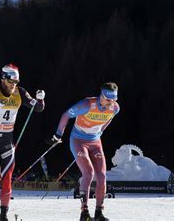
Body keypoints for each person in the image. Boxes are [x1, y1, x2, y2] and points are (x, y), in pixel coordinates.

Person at [0, 64, 45, 221]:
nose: (14, 85)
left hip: (7, 141)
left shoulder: (20, 92)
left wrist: (40, 99)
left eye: (16, 82)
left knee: (7, 179)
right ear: (3, 79)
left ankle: (3, 216)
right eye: (11, 82)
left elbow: (37, 108)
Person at [47, 82, 120, 221]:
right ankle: (84, 212)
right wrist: (58, 135)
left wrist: (100, 132)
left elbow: (108, 120)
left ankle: (99, 213)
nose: (111, 103)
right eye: (108, 99)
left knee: (102, 176)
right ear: (102, 96)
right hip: (78, 141)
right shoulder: (87, 105)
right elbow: (66, 115)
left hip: (95, 142)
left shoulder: (115, 108)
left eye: (114, 100)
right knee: (88, 173)